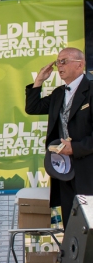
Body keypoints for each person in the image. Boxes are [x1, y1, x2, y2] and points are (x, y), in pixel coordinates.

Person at [25, 47, 93, 227]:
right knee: (71, 221)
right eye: (57, 62)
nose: (59, 66)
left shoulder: (91, 90)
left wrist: (76, 148)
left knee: (89, 221)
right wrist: (39, 80)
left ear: (80, 64)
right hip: (64, 169)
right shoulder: (58, 93)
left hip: (88, 168)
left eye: (64, 61)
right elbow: (33, 108)